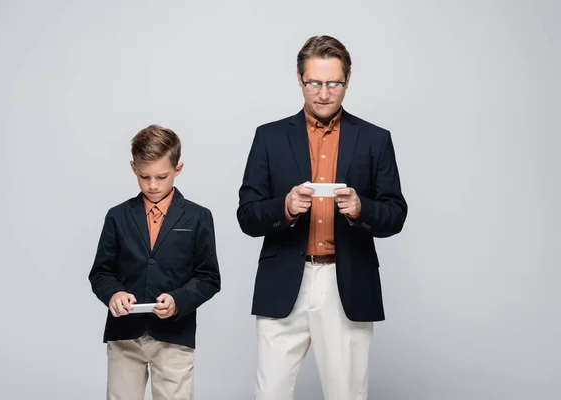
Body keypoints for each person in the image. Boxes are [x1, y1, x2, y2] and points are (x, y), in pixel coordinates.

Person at [237, 35, 407, 400]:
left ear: (348, 81)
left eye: (334, 83)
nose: (324, 93)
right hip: (283, 281)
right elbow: (247, 216)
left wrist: (362, 209)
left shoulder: (376, 139)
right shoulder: (268, 137)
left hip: (346, 282)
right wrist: (284, 206)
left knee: (346, 394)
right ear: (299, 79)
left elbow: (395, 214)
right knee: (270, 393)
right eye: (314, 82)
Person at [88, 124, 221, 400]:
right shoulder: (117, 216)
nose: (152, 185)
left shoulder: (198, 217)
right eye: (144, 176)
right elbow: (101, 272)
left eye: (162, 176)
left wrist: (178, 300)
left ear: (178, 168)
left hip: (175, 336)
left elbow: (209, 277)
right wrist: (114, 293)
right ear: (133, 168)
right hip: (125, 335)